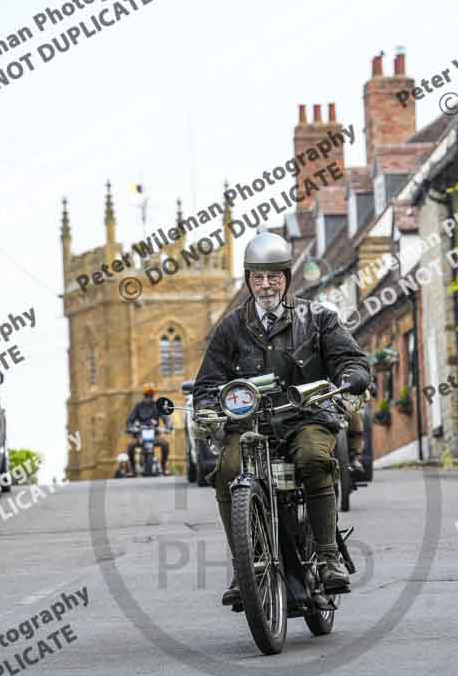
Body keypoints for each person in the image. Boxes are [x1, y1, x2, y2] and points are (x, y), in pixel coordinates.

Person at [193, 230, 370, 605]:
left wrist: (352, 375)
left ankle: (327, 557)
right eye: (258, 276)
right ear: (248, 280)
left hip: (304, 416)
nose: (266, 284)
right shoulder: (230, 327)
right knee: (227, 471)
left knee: (314, 457)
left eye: (273, 276)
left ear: (287, 277)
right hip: (248, 424)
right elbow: (208, 382)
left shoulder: (318, 318)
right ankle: (246, 568)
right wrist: (208, 405)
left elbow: (350, 359)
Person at [126, 383, 172, 476]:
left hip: (155, 434)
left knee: (165, 444)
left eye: (151, 395)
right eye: (147, 395)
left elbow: (165, 418)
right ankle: (133, 470)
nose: (149, 397)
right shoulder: (138, 405)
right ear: (144, 395)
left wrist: (168, 426)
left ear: (153, 395)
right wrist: (130, 427)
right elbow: (130, 419)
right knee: (130, 446)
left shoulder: (157, 405)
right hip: (140, 434)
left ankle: (163, 467)